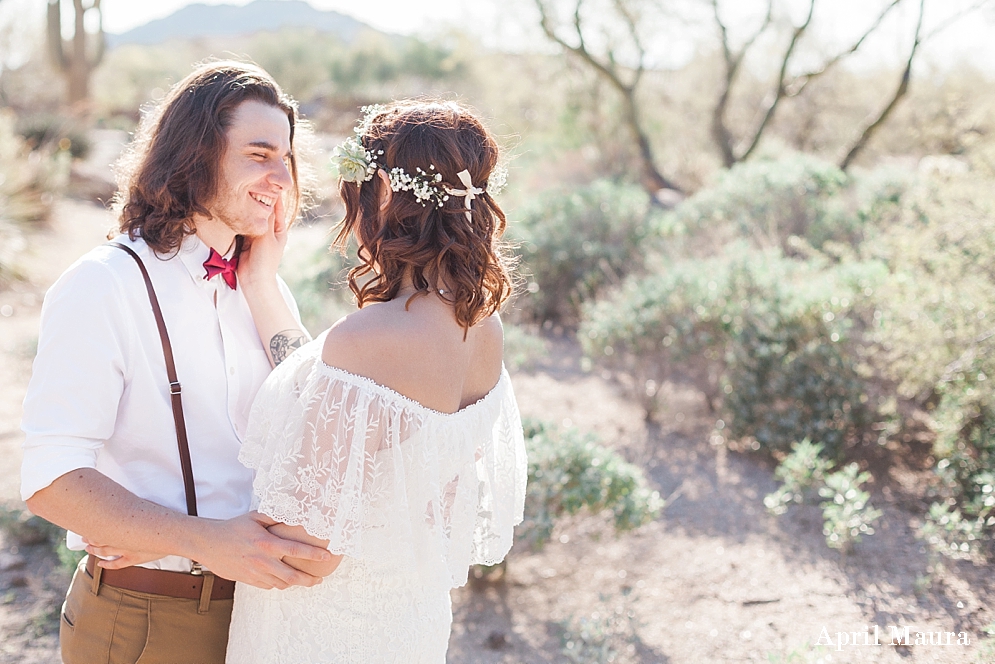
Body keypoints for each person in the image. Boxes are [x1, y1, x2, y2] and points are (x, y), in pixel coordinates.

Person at [20, 60, 334, 664]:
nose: (280, 177)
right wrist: (201, 541)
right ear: (196, 155)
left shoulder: (266, 290)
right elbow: (50, 479)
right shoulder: (105, 283)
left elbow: (312, 419)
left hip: (262, 619)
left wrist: (264, 284)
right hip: (150, 618)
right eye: (258, 154)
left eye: (286, 159)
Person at [224, 100, 528, 662]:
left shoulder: (372, 338)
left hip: (325, 633)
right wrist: (261, 285)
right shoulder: (483, 329)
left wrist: (166, 535)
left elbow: (305, 552)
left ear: (384, 192)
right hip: (407, 622)